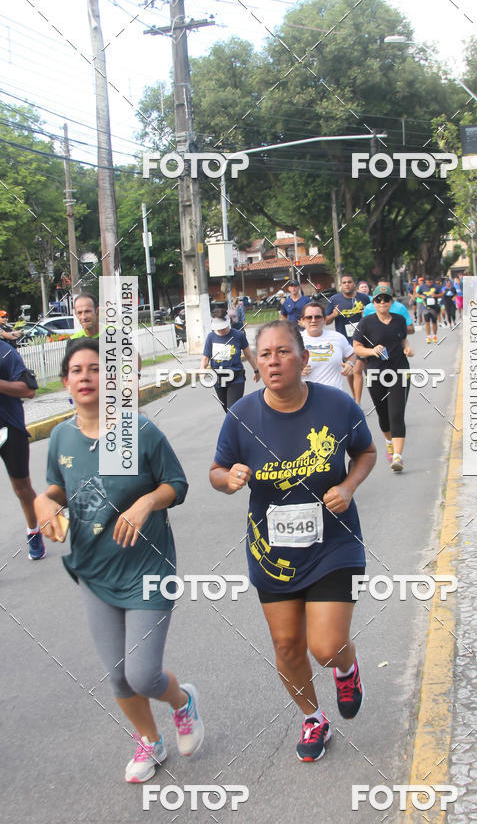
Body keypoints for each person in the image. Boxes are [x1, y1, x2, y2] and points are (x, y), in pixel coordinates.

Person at [33, 338, 203, 782]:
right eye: (77, 371)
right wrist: (42, 502)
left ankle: (182, 701)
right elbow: (56, 486)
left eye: (95, 369)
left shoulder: (138, 431)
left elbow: (176, 484)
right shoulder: (61, 437)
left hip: (148, 568)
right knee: (118, 677)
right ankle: (151, 740)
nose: (86, 377)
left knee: (143, 673)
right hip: (93, 571)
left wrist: (147, 502)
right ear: (66, 382)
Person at [209, 320, 376, 763]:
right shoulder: (241, 417)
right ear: (256, 363)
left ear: (304, 359)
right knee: (286, 645)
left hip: (334, 544)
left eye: (283, 352)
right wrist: (229, 479)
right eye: (264, 355)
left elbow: (366, 452)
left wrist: (349, 487)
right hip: (272, 552)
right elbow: (215, 471)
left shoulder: (338, 406)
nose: (273, 361)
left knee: (325, 646)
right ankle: (313, 717)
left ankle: (346, 666)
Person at [353, 285, 412, 472]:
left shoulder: (400, 320)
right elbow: (356, 347)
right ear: (374, 302)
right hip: (376, 373)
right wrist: (371, 351)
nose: (382, 302)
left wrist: (407, 348)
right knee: (383, 416)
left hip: (399, 371)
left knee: (396, 413)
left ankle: (398, 456)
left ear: (391, 302)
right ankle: (388, 441)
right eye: (378, 299)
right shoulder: (366, 323)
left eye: (386, 299)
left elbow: (403, 339)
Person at [0, 338, 45, 559]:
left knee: (22, 488)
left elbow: (29, 390)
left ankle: (34, 531)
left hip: (9, 427)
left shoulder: (6, 352)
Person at [325, 275, 370, 403]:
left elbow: (373, 316)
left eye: (349, 282)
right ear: (341, 285)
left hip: (362, 338)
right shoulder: (334, 299)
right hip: (344, 340)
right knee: (351, 370)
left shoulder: (364, 298)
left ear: (354, 283)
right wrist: (333, 315)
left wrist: (365, 314)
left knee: (365, 369)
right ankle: (356, 398)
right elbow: (326, 321)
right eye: (344, 282)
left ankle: (370, 394)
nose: (347, 284)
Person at [202, 314, 260, 412]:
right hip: (219, 380)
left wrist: (256, 370)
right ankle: (241, 422)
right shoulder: (211, 337)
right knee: (228, 411)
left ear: (228, 324)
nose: (220, 331)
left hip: (236, 378)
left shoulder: (239, 335)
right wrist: (202, 370)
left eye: (223, 328)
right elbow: (205, 358)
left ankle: (240, 424)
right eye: (218, 329)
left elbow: (249, 355)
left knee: (232, 410)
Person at [300, 301, 356, 391]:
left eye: (318, 317)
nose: (313, 320)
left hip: (334, 396)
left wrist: (350, 364)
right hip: (307, 397)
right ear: (302, 321)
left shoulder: (337, 337)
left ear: (324, 319)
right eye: (309, 317)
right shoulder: (295, 340)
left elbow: (351, 354)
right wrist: (297, 370)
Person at [419, 276, 443, 343]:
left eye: (430, 282)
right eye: (427, 282)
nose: (429, 283)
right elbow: (417, 294)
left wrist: (435, 295)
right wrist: (421, 296)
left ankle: (434, 336)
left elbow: (441, 295)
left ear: (432, 281)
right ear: (425, 281)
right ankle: (428, 337)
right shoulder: (422, 287)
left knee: (434, 322)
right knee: (427, 322)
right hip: (425, 307)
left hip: (434, 307)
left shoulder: (436, 287)